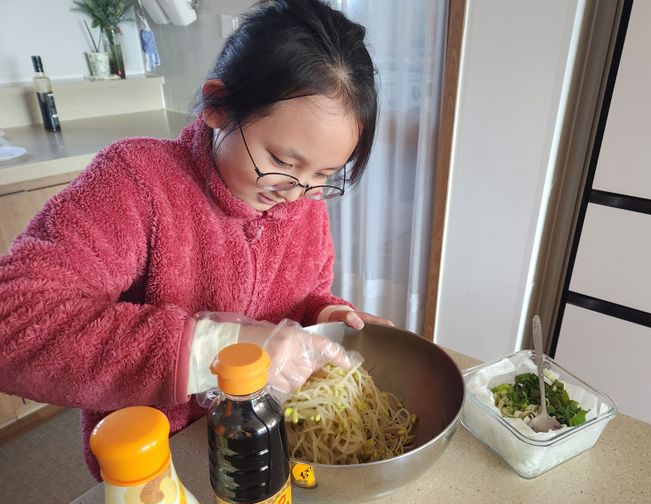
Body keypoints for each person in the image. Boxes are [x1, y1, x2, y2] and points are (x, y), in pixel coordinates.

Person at [0, 0, 392, 479]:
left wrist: (324, 317)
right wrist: (218, 350)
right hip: (154, 464)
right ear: (218, 106)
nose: (296, 192)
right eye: (281, 161)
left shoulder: (303, 204)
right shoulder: (137, 181)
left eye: (324, 175)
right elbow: (15, 320)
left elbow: (299, 297)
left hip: (262, 448)